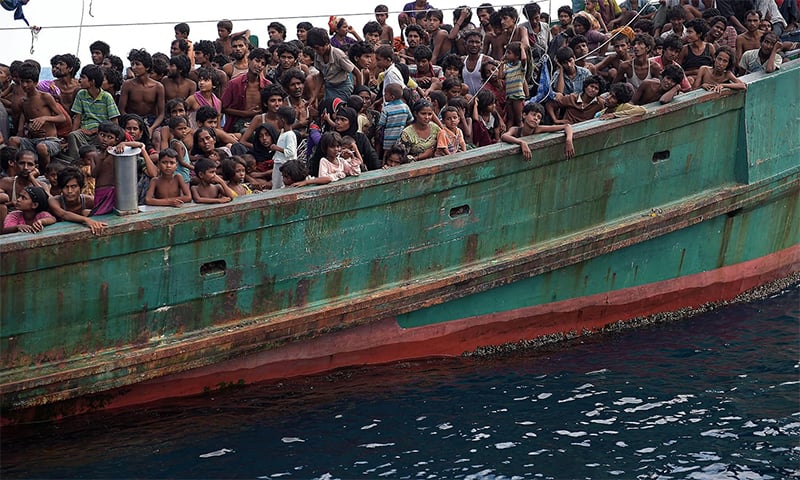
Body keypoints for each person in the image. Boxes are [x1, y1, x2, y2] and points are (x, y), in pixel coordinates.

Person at [7, 63, 65, 171]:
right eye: (22, 81)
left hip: (50, 141)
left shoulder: (45, 97)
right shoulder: (24, 101)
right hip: (32, 141)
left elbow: (62, 117)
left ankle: (44, 174)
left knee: (41, 147)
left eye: (28, 82)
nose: (24, 85)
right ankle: (15, 173)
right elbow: (25, 119)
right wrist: (25, 129)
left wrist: (44, 118)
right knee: (12, 141)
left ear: (36, 82)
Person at [66, 64, 120, 162]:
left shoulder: (106, 97)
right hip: (84, 132)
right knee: (73, 136)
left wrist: (97, 131)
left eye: (83, 77)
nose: (79, 80)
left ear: (92, 81)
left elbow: (114, 121)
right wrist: (73, 133)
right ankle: (76, 162)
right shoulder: (81, 94)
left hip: (101, 133)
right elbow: (78, 117)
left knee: (101, 141)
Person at [90, 120, 138, 216]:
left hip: (114, 191)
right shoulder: (94, 155)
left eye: (110, 137)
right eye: (102, 135)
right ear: (97, 134)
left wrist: (124, 144)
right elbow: (94, 174)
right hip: (100, 192)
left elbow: (139, 145)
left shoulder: (116, 152)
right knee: (99, 216)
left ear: (116, 140)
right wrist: (102, 159)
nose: (105, 139)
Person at [307, 27, 362, 105]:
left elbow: (357, 73)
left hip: (342, 87)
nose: (315, 51)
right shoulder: (317, 55)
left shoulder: (338, 55)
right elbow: (321, 75)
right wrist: (314, 96)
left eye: (317, 48)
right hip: (329, 87)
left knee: (339, 110)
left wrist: (359, 94)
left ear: (326, 44)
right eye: (313, 48)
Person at [221, 47, 271, 134]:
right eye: (257, 61)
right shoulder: (234, 83)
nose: (259, 65)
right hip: (238, 122)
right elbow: (223, 108)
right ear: (249, 60)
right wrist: (245, 114)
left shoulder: (268, 85)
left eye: (263, 64)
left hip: (262, 122)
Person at [501, 102, 574, 160]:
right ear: (524, 115)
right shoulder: (515, 130)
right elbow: (504, 136)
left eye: (539, 117)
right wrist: (521, 142)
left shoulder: (538, 129)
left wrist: (569, 141)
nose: (536, 118)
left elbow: (567, 126)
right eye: (533, 115)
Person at [47, 166, 107, 234]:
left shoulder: (89, 201)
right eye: (66, 187)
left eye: (73, 187)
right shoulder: (54, 201)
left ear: (80, 187)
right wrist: (86, 219)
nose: (69, 191)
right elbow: (64, 214)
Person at [119, 49, 165, 136]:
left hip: (150, 121)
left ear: (147, 67)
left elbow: (161, 114)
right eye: (132, 64)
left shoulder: (158, 87)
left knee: (157, 137)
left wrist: (151, 128)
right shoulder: (127, 85)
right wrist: (131, 122)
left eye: (137, 64)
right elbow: (121, 109)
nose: (134, 67)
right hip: (131, 120)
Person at [377, 83, 414, 154]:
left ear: (392, 97)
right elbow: (410, 120)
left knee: (387, 154)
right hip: (401, 139)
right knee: (400, 154)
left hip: (388, 139)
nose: (384, 95)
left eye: (386, 94)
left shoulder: (386, 109)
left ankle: (383, 164)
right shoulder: (405, 107)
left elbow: (381, 124)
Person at [499, 41, 528, 127]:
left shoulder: (520, 66)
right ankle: (508, 134)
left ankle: (522, 134)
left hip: (517, 95)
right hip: (509, 95)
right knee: (510, 118)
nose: (506, 55)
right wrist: (501, 64)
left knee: (518, 119)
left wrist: (522, 48)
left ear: (517, 56)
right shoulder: (507, 66)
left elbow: (524, 59)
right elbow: (500, 76)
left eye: (509, 53)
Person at [271, 106, 297, 190]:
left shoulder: (290, 135)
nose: (276, 122)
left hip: (285, 166)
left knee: (280, 185)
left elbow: (290, 152)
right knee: (275, 183)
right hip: (279, 163)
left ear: (283, 120)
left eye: (277, 119)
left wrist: (276, 148)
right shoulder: (283, 132)